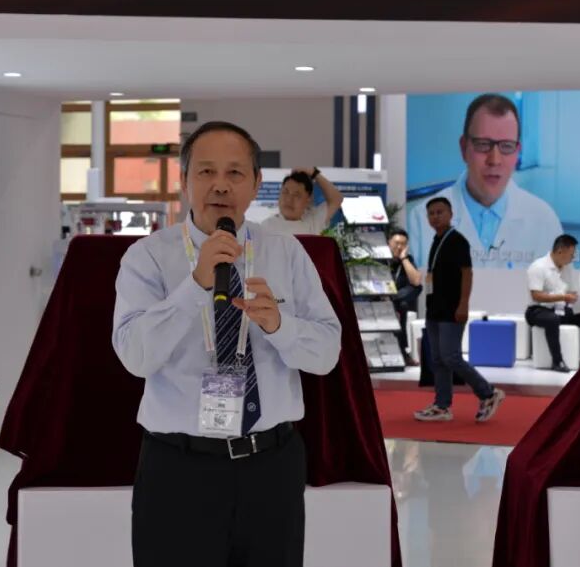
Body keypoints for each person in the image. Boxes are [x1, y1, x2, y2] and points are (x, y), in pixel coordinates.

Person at [113, 121, 342, 567]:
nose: (220, 185)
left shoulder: (287, 253)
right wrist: (195, 286)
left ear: (256, 183)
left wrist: (280, 326)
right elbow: (136, 357)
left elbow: (327, 354)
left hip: (270, 466)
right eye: (206, 172)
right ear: (184, 181)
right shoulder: (148, 257)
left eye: (235, 173)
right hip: (179, 469)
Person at [405, 93, 562, 269]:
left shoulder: (544, 221)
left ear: (517, 152)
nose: (494, 160)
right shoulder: (422, 220)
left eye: (506, 146)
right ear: (464, 148)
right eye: (483, 144)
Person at [413, 197, 505, 422]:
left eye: (440, 212)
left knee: (451, 356)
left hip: (452, 309)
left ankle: (488, 393)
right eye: (431, 213)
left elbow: (467, 273)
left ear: (450, 214)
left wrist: (463, 304)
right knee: (437, 359)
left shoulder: (457, 240)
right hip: (434, 308)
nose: (435, 217)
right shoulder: (437, 239)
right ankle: (442, 405)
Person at [524, 235, 580, 372]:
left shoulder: (567, 268)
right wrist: (563, 297)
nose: (573, 258)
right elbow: (536, 296)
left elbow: (572, 293)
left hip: (561, 309)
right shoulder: (538, 267)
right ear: (560, 251)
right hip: (538, 310)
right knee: (552, 319)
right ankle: (557, 361)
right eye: (571, 254)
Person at [262, 168, 344, 235]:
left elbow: (337, 199)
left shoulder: (312, 221)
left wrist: (314, 173)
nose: (289, 199)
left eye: (296, 195)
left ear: (308, 199)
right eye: (285, 192)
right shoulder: (266, 226)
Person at [388, 227, 422, 365]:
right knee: (402, 305)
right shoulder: (381, 259)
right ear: (389, 243)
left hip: (396, 300)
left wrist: (404, 258)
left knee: (417, 288)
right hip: (381, 298)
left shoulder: (407, 259)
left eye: (403, 244)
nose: (399, 247)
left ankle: (403, 354)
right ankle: (403, 354)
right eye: (396, 243)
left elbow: (416, 281)